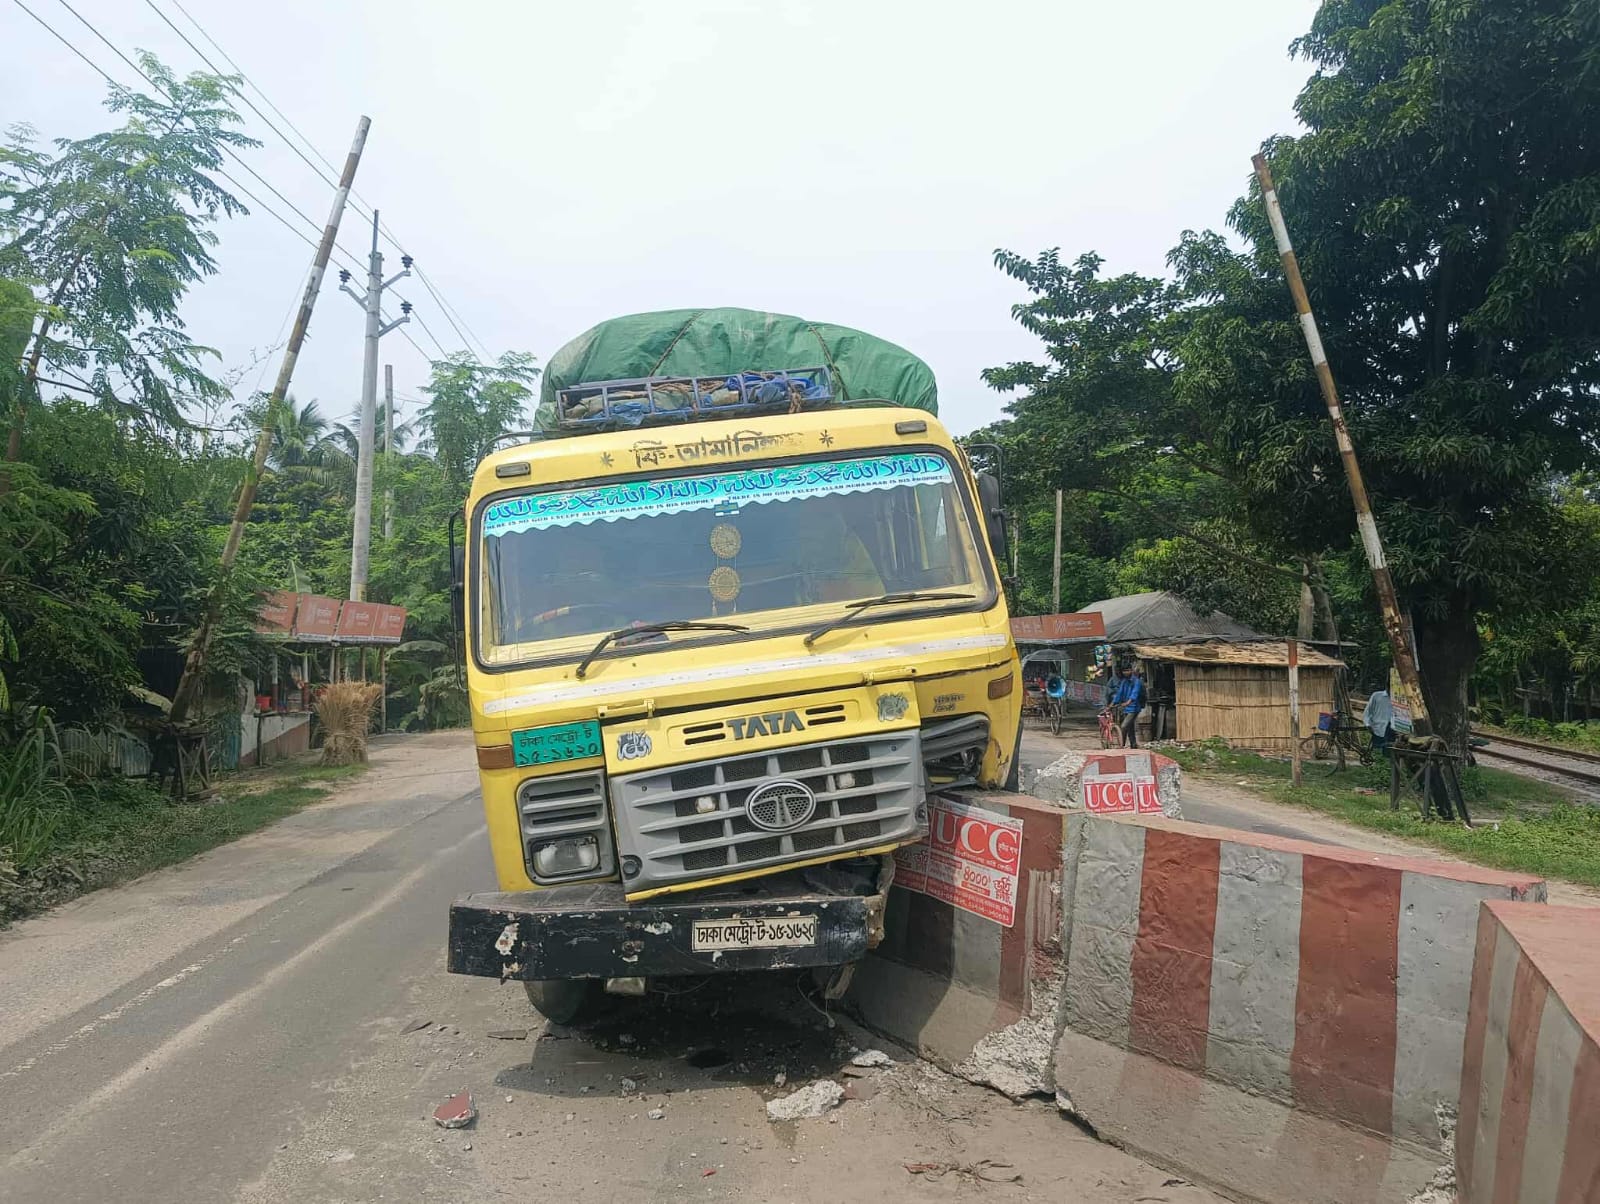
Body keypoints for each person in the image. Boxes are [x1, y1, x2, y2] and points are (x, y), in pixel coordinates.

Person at [1108, 664, 1146, 749]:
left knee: (1124, 726)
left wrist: (1128, 702)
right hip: (1125, 708)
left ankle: (1121, 744)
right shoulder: (1124, 682)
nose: (1125, 672)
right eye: (1124, 671)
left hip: (1134, 708)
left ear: (1131, 670)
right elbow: (1119, 694)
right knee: (1130, 728)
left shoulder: (1137, 681)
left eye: (1127, 670)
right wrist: (1112, 704)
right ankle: (1133, 745)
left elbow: (1134, 694)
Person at [1363, 687, 1393, 755]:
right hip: (1377, 729)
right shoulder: (1376, 695)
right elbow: (1367, 712)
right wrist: (1367, 724)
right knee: (1377, 753)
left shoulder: (1399, 699)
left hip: (1392, 731)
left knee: (1389, 754)